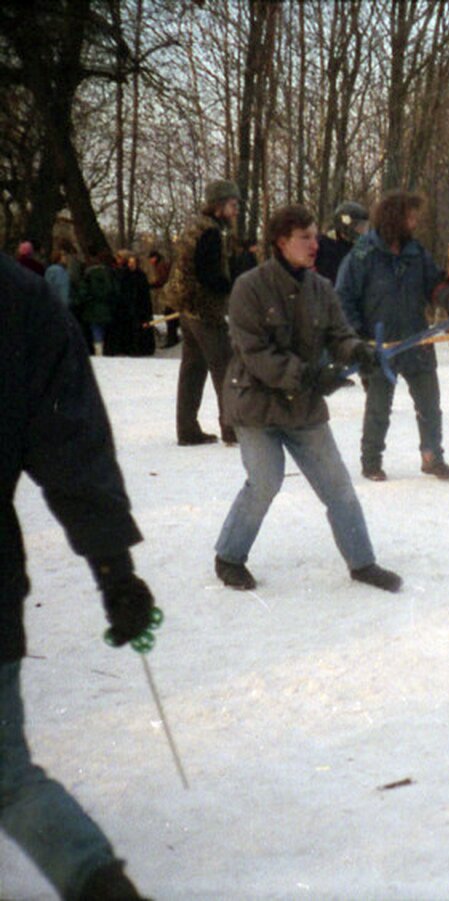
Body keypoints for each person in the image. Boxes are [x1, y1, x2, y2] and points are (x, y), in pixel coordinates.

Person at [1, 253, 158, 899]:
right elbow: (74, 447)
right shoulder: (23, 298)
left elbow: (70, 440)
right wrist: (113, 570)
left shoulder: (20, 304)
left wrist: (114, 570)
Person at [214, 204, 402, 593]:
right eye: (306, 237)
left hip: (303, 409)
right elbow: (257, 354)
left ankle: (363, 563)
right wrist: (311, 375)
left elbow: (339, 335)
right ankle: (229, 557)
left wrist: (357, 351)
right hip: (256, 406)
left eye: (316, 236)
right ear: (282, 242)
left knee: (338, 486)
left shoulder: (321, 289)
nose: (315, 244)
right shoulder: (249, 287)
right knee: (265, 480)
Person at [336, 190, 449, 482]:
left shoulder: (416, 252)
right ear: (395, 218)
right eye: (411, 217)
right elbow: (344, 297)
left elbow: (434, 282)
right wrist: (358, 336)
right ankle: (371, 461)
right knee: (379, 406)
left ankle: (433, 457)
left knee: (429, 403)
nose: (415, 222)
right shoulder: (363, 254)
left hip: (417, 339)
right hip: (379, 345)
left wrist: (447, 298)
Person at [170, 178, 241, 446]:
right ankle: (233, 429)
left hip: (186, 308)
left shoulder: (194, 227)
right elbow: (209, 275)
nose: (235, 211)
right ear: (219, 205)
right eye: (233, 205)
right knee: (226, 366)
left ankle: (187, 430)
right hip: (204, 309)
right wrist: (233, 287)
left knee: (192, 368)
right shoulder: (211, 232)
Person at [315, 200, 369, 284]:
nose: (362, 231)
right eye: (359, 227)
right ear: (347, 226)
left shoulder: (360, 249)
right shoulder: (323, 246)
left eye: (364, 227)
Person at [145, 249, 178, 348]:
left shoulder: (161, 265)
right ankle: (173, 337)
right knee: (170, 315)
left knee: (169, 314)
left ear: (155, 258)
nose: (150, 261)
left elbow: (162, 280)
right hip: (170, 293)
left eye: (151, 259)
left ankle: (172, 338)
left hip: (171, 294)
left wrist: (151, 285)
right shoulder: (161, 264)